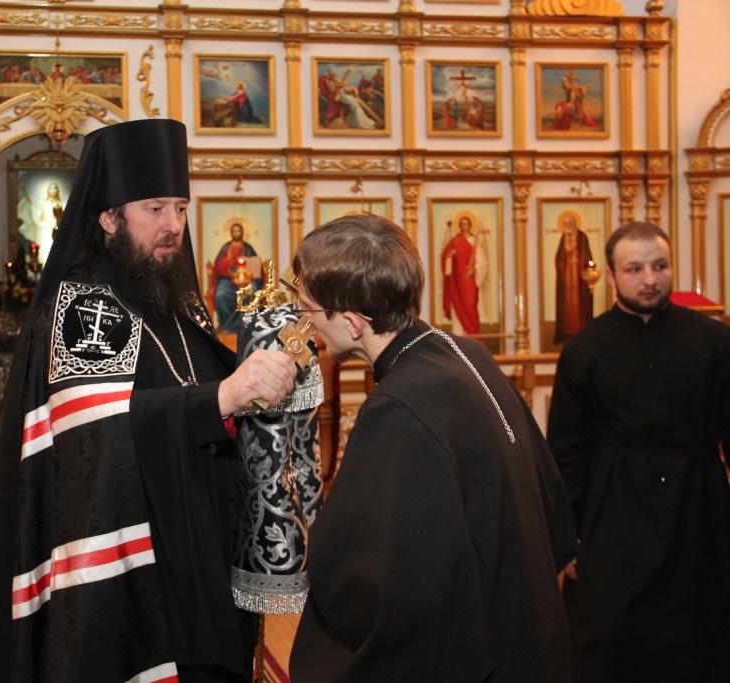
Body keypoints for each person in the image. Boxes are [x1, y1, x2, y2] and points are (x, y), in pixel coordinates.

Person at [0, 119, 296, 681]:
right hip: (133, 550)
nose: (173, 226)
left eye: (181, 208)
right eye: (154, 209)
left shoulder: (177, 297)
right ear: (109, 218)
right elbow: (94, 439)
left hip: (195, 534)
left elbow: (204, 382)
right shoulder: (84, 304)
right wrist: (226, 396)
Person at [288, 214, 576, 682]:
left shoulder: (398, 406)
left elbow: (370, 573)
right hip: (529, 627)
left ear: (353, 322)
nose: (307, 323)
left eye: (310, 309)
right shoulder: (464, 352)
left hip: (481, 651)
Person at [547, 221, 730, 682]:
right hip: (615, 513)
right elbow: (568, 449)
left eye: (660, 266)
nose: (649, 279)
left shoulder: (716, 342)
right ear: (611, 275)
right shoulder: (584, 349)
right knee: (612, 638)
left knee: (702, 631)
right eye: (634, 269)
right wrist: (567, 535)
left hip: (697, 509)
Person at [440, 212, 487, 335]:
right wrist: (450, 255)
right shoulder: (455, 241)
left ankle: (472, 334)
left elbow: (482, 260)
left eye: (466, 224)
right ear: (459, 226)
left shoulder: (474, 241)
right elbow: (445, 257)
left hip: (469, 280)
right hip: (457, 281)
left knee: (470, 305)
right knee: (458, 306)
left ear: (470, 225)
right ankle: (458, 335)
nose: (464, 226)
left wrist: (475, 268)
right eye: (462, 224)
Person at [553, 211, 594, 344]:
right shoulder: (563, 237)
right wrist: (562, 262)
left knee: (579, 302)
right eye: (566, 223)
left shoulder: (582, 237)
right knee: (568, 302)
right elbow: (559, 257)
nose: (568, 225)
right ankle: (567, 331)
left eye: (570, 223)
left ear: (574, 224)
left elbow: (587, 255)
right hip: (567, 275)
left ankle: (580, 329)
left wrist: (589, 268)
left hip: (578, 276)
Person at [212, 221, 260, 333]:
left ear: (242, 232)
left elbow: (255, 264)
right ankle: (226, 325)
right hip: (228, 279)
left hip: (246, 279)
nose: (236, 233)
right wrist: (228, 263)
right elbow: (218, 265)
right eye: (234, 231)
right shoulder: (226, 247)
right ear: (231, 233)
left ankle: (243, 325)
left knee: (252, 291)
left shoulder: (248, 247)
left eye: (238, 231)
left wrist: (248, 265)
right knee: (220, 294)